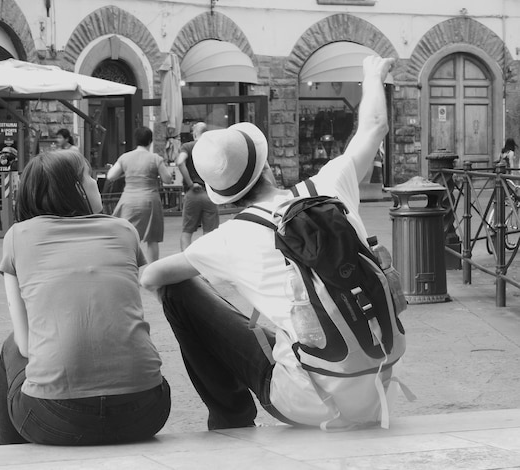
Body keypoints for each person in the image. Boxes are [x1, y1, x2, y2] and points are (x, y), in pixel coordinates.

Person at [141, 56, 396, 430]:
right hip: (377, 392)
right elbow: (375, 125)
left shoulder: (227, 238)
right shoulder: (328, 187)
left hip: (309, 402)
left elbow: (152, 278)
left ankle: (229, 418)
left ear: (224, 197)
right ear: (265, 166)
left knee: (179, 293)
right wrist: (372, 73)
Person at [0, 149, 170, 445]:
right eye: (89, 176)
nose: (97, 181)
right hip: (146, 411)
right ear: (74, 187)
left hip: (52, 419)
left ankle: (7, 452)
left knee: (11, 344)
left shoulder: (16, 236)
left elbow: (26, 345)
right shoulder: (124, 230)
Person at [107, 126, 173, 263]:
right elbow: (167, 179)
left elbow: (111, 176)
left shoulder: (125, 157)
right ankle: (152, 270)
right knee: (152, 239)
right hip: (150, 201)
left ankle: (127, 264)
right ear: (150, 141)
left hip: (128, 200)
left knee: (127, 235)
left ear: (136, 140)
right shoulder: (155, 158)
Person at [177, 122, 219, 250]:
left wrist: (190, 183)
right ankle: (207, 264)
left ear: (195, 133)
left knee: (187, 232)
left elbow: (180, 162)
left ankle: (185, 263)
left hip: (193, 194)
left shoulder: (187, 147)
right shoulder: (214, 148)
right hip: (209, 194)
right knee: (210, 234)